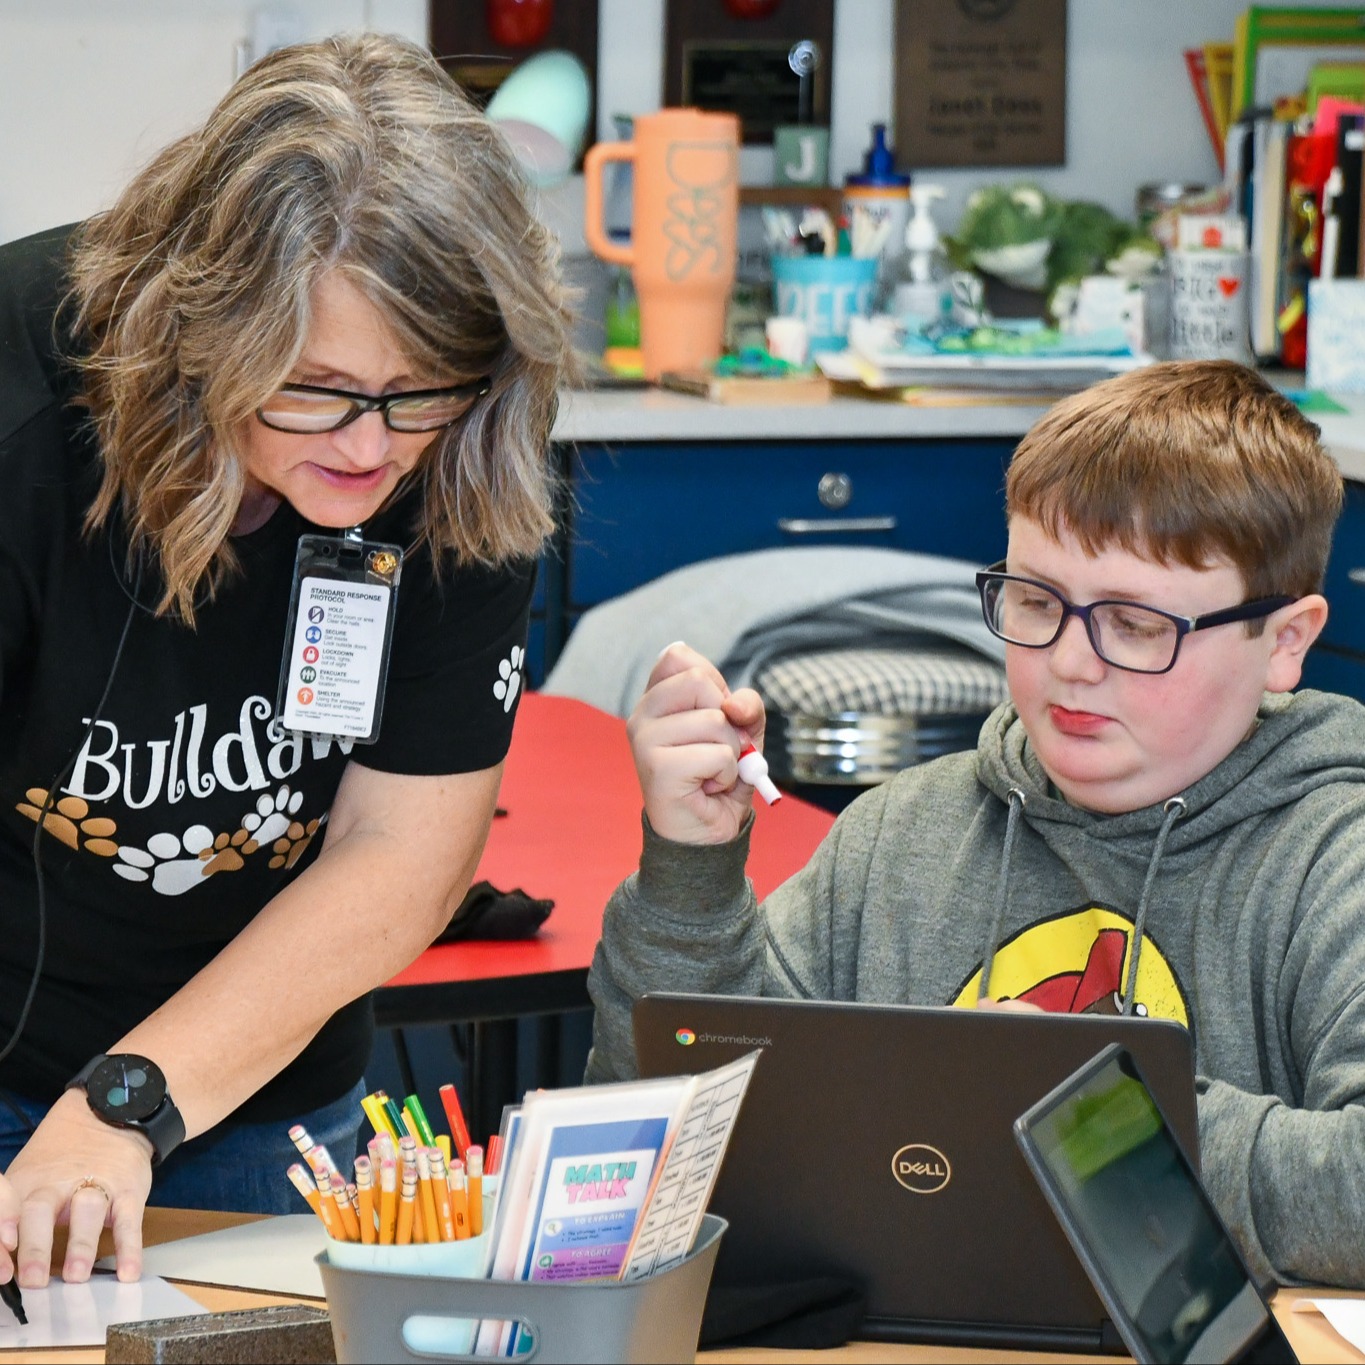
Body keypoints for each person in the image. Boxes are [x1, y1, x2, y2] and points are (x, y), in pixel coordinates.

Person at [586, 360, 1365, 1289]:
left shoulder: (1335, 860)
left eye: (1134, 623)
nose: (1071, 663)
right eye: (1037, 603)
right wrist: (691, 869)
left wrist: (1081, 1106)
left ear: (1283, 640)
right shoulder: (897, 839)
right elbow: (655, 1146)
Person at [0, 33, 574, 1288]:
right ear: (198, 322)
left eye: (419, 391)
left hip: (261, 1076)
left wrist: (133, 1100)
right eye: (312, 388)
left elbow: (403, 852)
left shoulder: (467, 444)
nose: (371, 451)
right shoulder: (21, 412)